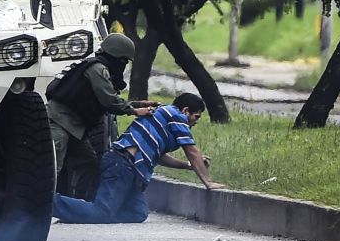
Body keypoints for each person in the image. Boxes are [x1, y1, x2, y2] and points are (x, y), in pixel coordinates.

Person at [53, 92, 225, 224]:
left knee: (138, 212)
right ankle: (48, 202)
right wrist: (207, 182)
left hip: (132, 171)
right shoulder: (175, 115)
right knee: (103, 212)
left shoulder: (164, 120)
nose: (196, 122)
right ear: (185, 111)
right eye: (196, 116)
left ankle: (82, 213)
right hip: (120, 164)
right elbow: (192, 151)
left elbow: (160, 156)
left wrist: (188, 166)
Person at [45, 32, 157, 200]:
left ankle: (79, 205)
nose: (124, 65)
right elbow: (109, 101)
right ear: (117, 56)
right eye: (124, 61)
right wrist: (135, 111)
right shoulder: (97, 69)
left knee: (89, 163)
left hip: (74, 127)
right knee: (52, 169)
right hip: (59, 122)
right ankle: (36, 211)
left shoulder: (95, 67)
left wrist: (140, 104)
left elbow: (108, 99)